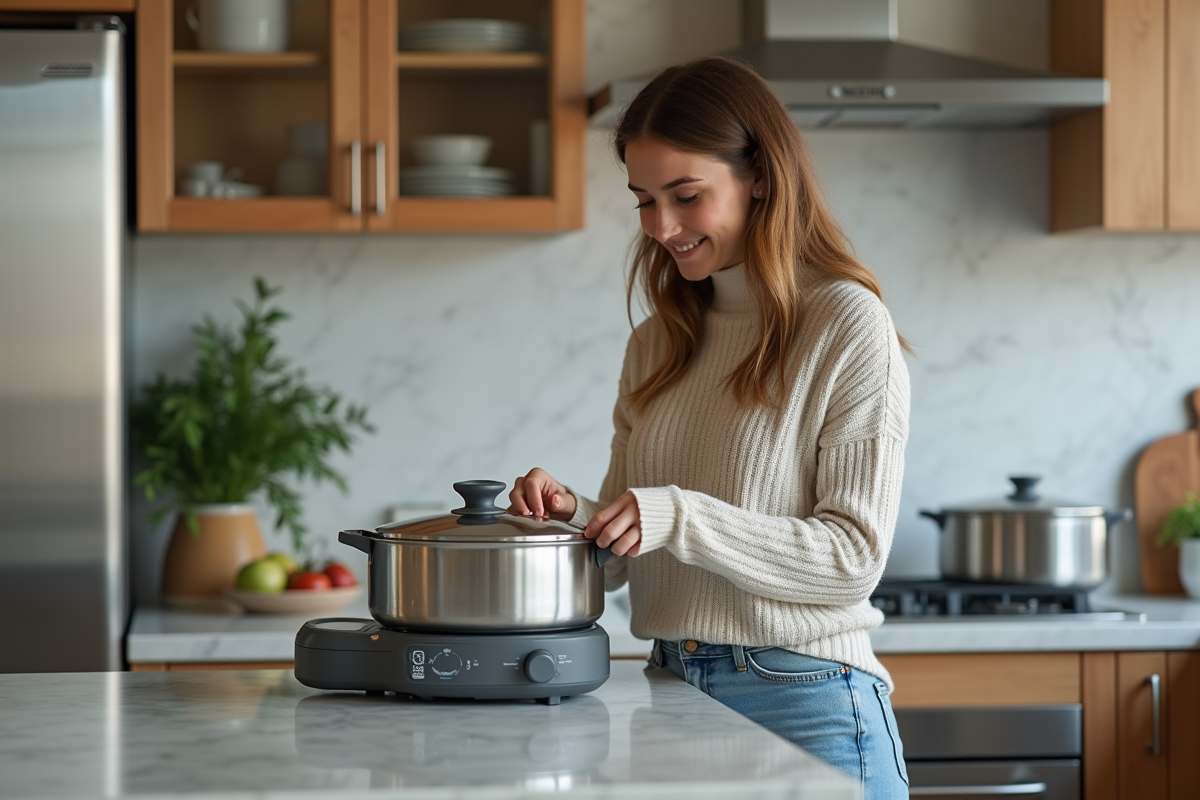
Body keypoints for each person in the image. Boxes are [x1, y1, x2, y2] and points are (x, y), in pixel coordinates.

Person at [508, 56, 910, 797]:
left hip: (805, 698)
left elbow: (853, 557)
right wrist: (575, 518)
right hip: (670, 691)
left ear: (759, 174)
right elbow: (627, 559)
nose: (661, 227)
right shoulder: (657, 342)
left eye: (686, 196)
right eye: (643, 201)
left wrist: (676, 514)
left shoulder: (846, 323)